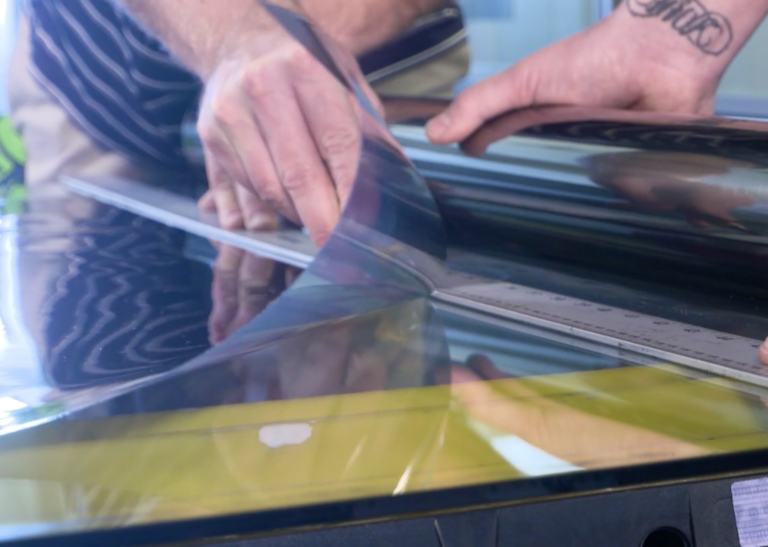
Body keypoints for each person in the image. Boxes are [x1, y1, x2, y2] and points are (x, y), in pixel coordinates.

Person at [10, 0, 468, 235]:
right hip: (96, 81)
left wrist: (295, 52)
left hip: (380, 61)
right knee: (114, 394)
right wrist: (236, 35)